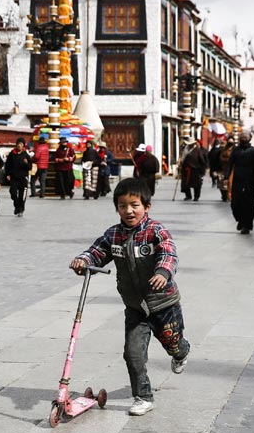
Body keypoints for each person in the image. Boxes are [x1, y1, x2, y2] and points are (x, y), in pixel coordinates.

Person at [69, 178, 190, 417]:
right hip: (135, 308)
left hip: (163, 304)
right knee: (133, 353)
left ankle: (181, 352)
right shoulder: (113, 235)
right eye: (123, 205)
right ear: (117, 208)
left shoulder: (156, 231)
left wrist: (162, 272)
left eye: (134, 204)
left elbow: (168, 252)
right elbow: (97, 251)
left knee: (172, 343)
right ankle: (143, 396)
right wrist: (84, 261)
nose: (129, 210)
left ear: (147, 206)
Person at [227, 131, 254, 234]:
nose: (244, 138)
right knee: (235, 203)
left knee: (249, 204)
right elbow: (230, 164)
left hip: (250, 180)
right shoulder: (236, 151)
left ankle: (247, 225)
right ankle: (240, 220)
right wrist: (226, 176)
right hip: (237, 179)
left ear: (250, 138)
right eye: (242, 136)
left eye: (246, 136)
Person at [5, 137, 32, 216]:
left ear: (23, 146)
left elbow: (30, 167)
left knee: (21, 195)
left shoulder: (26, 155)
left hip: (23, 178)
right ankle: (16, 205)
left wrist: (26, 163)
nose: (19, 146)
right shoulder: (12, 154)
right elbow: (7, 165)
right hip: (14, 177)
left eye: (21, 144)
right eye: (18, 144)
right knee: (12, 192)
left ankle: (20, 210)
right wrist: (7, 174)